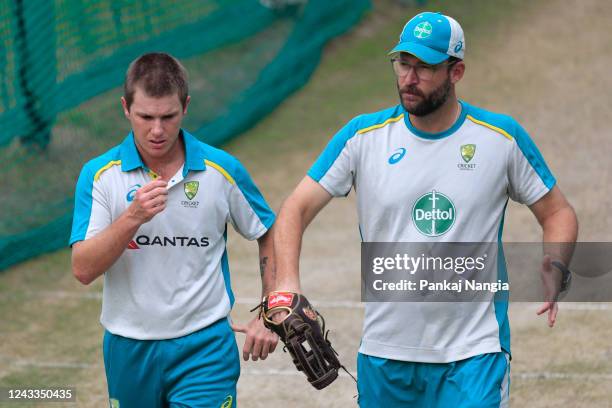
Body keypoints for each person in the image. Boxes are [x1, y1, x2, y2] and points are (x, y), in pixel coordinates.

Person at [273, 12, 578, 407]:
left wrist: (556, 262)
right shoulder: (362, 138)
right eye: (404, 64)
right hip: (385, 356)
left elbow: (558, 212)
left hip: (474, 355)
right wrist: (287, 285)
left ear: (457, 71)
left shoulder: (501, 139)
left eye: (425, 67)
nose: (409, 78)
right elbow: (294, 209)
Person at [70, 52, 278, 408]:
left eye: (168, 117)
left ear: (186, 106)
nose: (156, 130)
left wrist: (271, 310)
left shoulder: (221, 170)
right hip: (128, 349)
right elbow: (83, 268)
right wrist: (132, 218)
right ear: (125, 108)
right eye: (145, 117)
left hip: (205, 347)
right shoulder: (100, 175)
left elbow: (269, 233)